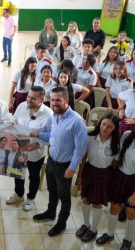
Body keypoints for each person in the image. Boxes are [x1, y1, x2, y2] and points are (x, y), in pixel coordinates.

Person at [96, 116, 135, 250]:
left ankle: (128, 239)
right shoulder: (126, 135)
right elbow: (117, 157)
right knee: (114, 207)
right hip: (120, 176)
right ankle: (109, 233)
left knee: (131, 212)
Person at [32, 87, 87, 237]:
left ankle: (61, 223)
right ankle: (51, 212)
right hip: (51, 162)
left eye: (58, 100)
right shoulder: (55, 116)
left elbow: (80, 149)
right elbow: (53, 135)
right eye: (52, 99)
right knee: (52, 190)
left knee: (64, 197)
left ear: (66, 100)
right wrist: (38, 134)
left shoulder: (76, 121)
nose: (54, 103)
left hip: (65, 167)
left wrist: (72, 168)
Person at [6, 86, 53, 211]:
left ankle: (31, 199)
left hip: (35, 153)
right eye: (28, 96)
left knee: (33, 176)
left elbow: (52, 135)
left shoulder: (48, 115)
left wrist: (37, 144)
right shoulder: (22, 106)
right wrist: (11, 123)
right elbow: (15, 119)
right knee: (17, 172)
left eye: (33, 98)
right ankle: (19, 194)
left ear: (41, 99)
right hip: (19, 148)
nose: (29, 100)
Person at [75, 113, 120, 242]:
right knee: (85, 200)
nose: (104, 128)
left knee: (97, 203)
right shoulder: (90, 138)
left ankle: (93, 229)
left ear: (115, 129)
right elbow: (83, 158)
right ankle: (85, 224)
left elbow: (115, 164)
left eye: (109, 127)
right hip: (89, 171)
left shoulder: (116, 144)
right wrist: (80, 176)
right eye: (103, 124)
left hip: (105, 174)